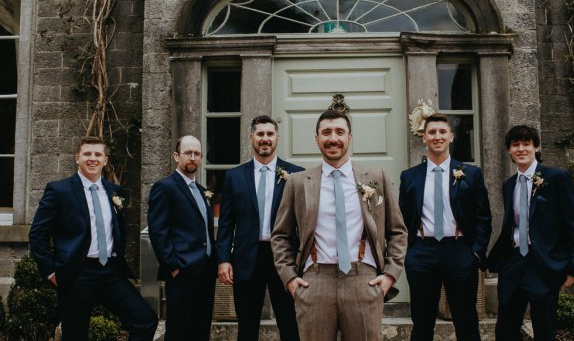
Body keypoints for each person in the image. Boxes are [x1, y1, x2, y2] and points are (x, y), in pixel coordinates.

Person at [271, 109, 407, 341]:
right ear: (317, 139)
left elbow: (397, 231)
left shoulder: (375, 176)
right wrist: (291, 279)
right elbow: (281, 236)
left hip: (363, 280)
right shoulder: (298, 182)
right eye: (326, 132)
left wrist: (390, 276)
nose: (333, 138)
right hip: (315, 281)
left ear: (349, 138)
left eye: (339, 132)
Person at [29, 136, 158, 341]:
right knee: (75, 335)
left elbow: (118, 229)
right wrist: (51, 272)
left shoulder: (114, 191)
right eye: (87, 154)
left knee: (145, 319)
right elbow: (37, 234)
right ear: (77, 158)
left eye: (98, 154)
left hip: (110, 272)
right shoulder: (59, 190)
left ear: (105, 160)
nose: (93, 158)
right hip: (76, 274)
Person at [488, 125, 574, 341]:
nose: (521, 149)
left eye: (526, 144)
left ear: (537, 147)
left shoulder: (557, 178)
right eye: (516, 145)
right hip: (514, 262)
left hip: (543, 264)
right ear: (509, 150)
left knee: (544, 329)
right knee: (505, 329)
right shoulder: (509, 186)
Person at [398, 113, 491, 341]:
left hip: (460, 251)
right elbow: (403, 217)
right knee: (422, 322)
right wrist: (408, 253)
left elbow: (483, 217)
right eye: (432, 132)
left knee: (466, 320)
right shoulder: (410, 177)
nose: (437, 137)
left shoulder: (471, 173)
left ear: (451, 137)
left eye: (442, 132)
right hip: (422, 252)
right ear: (424, 138)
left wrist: (476, 253)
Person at [216, 115, 303, 341]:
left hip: (285, 260)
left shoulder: (297, 175)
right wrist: (224, 259)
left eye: (270, 134)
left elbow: (304, 223)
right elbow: (226, 223)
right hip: (246, 259)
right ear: (251, 138)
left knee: (290, 324)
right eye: (260, 134)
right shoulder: (234, 176)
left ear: (277, 138)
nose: (265, 139)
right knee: (247, 326)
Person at [148, 135, 216, 341]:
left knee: (201, 329)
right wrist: (173, 267)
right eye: (188, 153)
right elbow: (158, 230)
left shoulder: (203, 191)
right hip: (182, 272)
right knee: (179, 330)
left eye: (197, 153)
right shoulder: (165, 187)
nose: (193, 157)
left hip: (206, 272)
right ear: (177, 156)